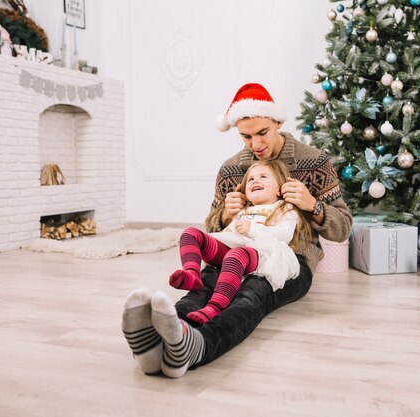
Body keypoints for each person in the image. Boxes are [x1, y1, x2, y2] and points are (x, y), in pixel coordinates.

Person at [122, 83, 352, 378]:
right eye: (246, 136)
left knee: (250, 294)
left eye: (262, 133)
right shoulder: (232, 169)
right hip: (236, 248)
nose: (255, 144)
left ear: (278, 123)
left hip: (289, 261)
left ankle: (201, 345)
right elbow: (212, 228)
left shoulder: (314, 162)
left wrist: (313, 206)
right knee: (205, 285)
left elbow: (342, 227)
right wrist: (225, 213)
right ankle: (161, 336)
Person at [169, 160, 312, 326]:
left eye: (263, 176)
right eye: (250, 179)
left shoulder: (283, 208)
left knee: (235, 254)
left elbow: (285, 234)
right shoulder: (244, 212)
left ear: (279, 189)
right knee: (190, 233)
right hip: (234, 248)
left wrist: (252, 229)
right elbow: (229, 235)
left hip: (263, 253)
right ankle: (192, 275)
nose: (255, 181)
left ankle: (214, 307)